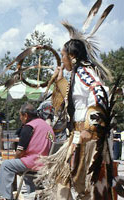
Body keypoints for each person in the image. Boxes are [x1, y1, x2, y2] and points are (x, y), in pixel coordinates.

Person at [35, 2, 121, 198]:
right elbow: (71, 102)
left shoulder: (84, 71)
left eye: (63, 55)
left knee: (87, 187)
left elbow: (100, 92)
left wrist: (90, 129)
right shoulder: (76, 74)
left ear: (72, 56)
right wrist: (60, 81)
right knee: (65, 183)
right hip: (77, 136)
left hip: (88, 138)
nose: (61, 59)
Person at [0, 103, 54, 200]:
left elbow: (19, 152)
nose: (20, 119)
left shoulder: (29, 127)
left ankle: (5, 197)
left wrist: (15, 159)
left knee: (6, 165)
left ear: (26, 116)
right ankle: (32, 194)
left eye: (20, 116)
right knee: (25, 171)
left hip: (33, 162)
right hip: (46, 163)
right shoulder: (47, 127)